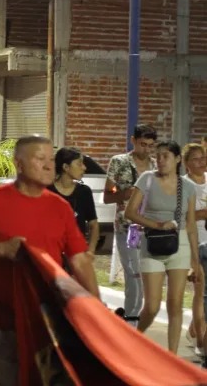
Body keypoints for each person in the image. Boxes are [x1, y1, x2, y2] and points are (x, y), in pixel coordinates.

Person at [0, 135, 99, 385]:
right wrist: (1, 250)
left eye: (51, 159)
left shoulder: (60, 208)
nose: (49, 166)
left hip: (48, 326)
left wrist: (96, 311)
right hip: (3, 325)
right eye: (40, 159)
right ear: (19, 164)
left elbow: (80, 261)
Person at [124, 140, 201, 354]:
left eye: (165, 156)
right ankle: (135, 339)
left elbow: (191, 224)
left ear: (177, 159)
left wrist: (196, 262)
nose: (160, 160)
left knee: (175, 303)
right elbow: (130, 213)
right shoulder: (146, 179)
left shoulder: (188, 187)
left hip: (180, 244)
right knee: (152, 306)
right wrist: (156, 224)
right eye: (157, 156)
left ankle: (172, 356)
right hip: (152, 244)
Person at [103, 124, 158, 326]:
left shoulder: (155, 165)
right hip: (128, 227)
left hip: (151, 228)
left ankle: (131, 317)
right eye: (143, 144)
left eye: (151, 146)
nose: (146, 149)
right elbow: (107, 196)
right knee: (133, 272)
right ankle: (131, 320)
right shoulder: (119, 162)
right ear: (133, 140)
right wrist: (125, 194)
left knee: (144, 274)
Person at [49, 147, 99, 254]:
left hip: (76, 254)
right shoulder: (47, 191)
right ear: (66, 167)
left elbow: (93, 225)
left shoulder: (84, 191)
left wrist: (91, 250)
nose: (84, 168)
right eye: (79, 164)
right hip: (52, 253)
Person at [182, 143, 207, 360]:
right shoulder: (185, 185)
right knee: (201, 294)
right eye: (196, 159)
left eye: (203, 157)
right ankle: (201, 341)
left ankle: (193, 331)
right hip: (196, 243)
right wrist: (203, 213)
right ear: (187, 163)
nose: (201, 162)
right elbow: (183, 217)